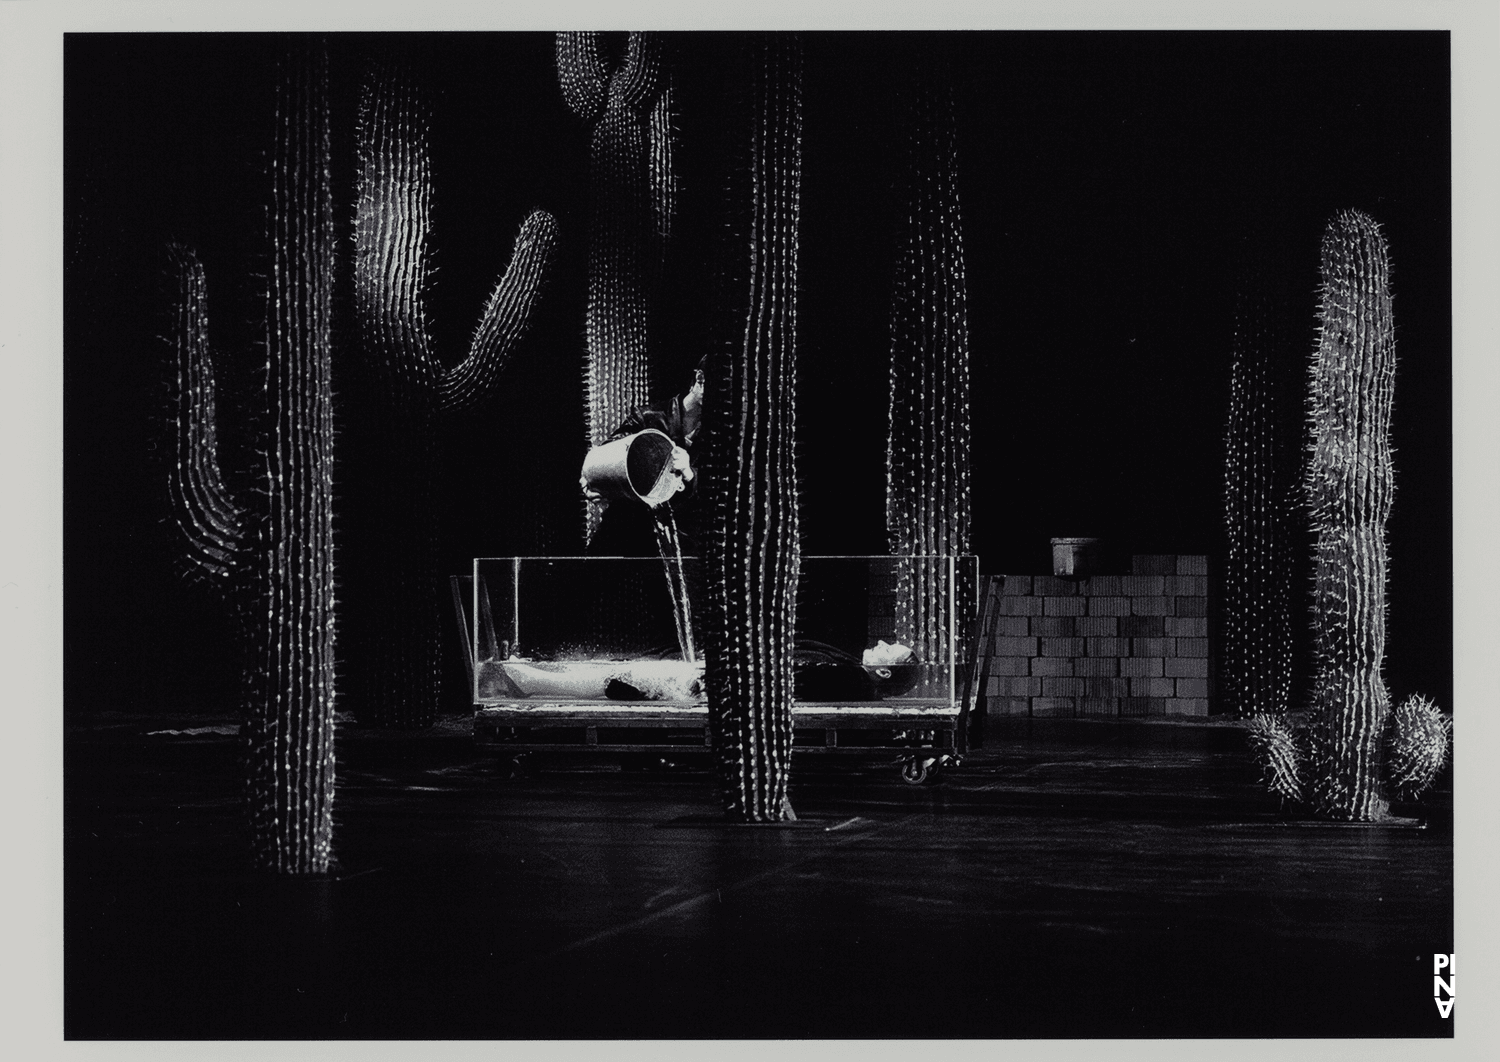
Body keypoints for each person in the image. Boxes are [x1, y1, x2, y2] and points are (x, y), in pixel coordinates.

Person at [582, 359, 705, 557]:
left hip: (682, 546)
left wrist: (691, 474)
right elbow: (608, 455)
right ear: (699, 378)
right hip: (633, 538)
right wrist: (594, 478)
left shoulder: (722, 434)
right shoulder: (648, 418)